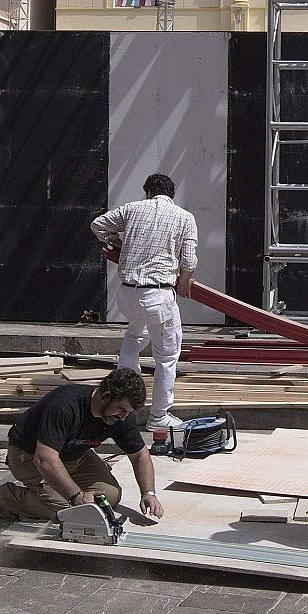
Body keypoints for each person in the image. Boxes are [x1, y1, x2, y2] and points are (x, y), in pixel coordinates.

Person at [92, 172, 198, 431]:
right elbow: (189, 260)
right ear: (171, 195)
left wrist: (116, 241)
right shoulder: (184, 217)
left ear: (148, 192)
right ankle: (159, 416)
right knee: (167, 356)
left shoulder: (132, 209)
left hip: (128, 293)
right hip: (158, 295)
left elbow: (98, 225)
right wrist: (184, 281)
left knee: (133, 338)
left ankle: (122, 401)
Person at [0, 367, 165, 523]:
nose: (123, 417)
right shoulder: (65, 406)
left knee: (110, 496)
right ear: (105, 396)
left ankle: (66, 488)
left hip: (73, 454)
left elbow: (140, 455)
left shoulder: (119, 416)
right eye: (121, 410)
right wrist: (77, 496)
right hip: (28, 454)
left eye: (128, 412)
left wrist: (148, 493)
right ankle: (6, 497)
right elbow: (44, 459)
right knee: (68, 508)